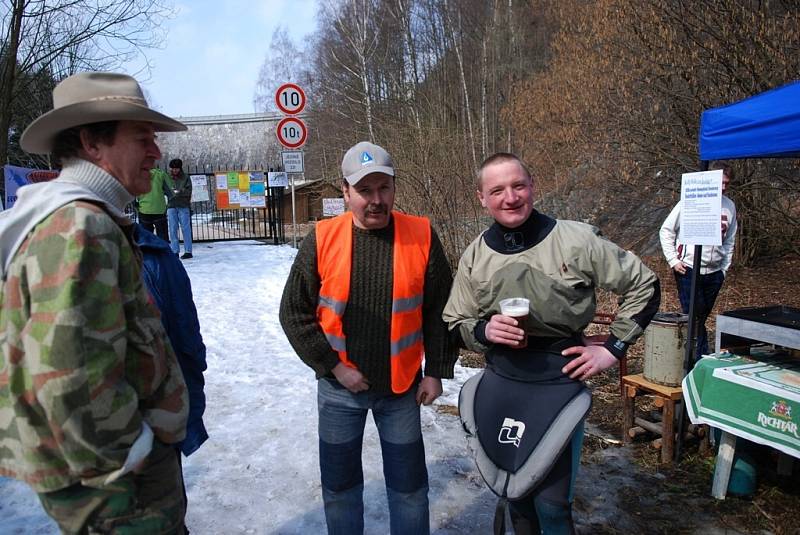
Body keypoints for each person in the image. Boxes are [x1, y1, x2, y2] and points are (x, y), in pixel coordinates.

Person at [0, 71, 190, 533]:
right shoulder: (79, 227)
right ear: (92, 143)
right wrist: (134, 456)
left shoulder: (79, 215)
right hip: (119, 489)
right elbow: (72, 380)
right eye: (142, 138)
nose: (156, 153)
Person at [443, 153, 660, 534]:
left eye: (518, 186)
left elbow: (644, 285)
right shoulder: (475, 255)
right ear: (481, 198)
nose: (510, 197)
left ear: (533, 187)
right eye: (497, 190)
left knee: (553, 504)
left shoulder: (575, 239)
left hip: (558, 383)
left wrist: (612, 347)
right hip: (503, 382)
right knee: (516, 497)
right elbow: (455, 321)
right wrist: (483, 332)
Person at [279, 141, 457, 535]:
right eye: (364, 191)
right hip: (340, 392)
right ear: (345, 192)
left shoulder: (421, 235)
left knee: (409, 489)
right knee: (340, 490)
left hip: (402, 392)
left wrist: (437, 371)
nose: (376, 200)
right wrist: (334, 368)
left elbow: (440, 312)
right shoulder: (322, 239)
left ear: (394, 188)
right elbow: (293, 313)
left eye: (384, 188)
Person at [134, 223, 208, 524]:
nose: (155, 172)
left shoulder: (154, 251)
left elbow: (184, 335)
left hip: (160, 423)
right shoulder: (54, 248)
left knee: (169, 516)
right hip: (104, 442)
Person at [659, 162, 737, 358]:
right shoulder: (690, 201)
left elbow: (730, 240)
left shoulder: (729, 206)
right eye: (720, 182)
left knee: (701, 317)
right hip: (689, 268)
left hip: (714, 272)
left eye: (727, 183)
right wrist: (674, 260)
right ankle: (699, 356)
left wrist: (724, 269)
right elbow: (666, 230)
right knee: (693, 316)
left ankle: (690, 353)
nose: (723, 187)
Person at [167, 158, 193, 259]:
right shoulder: (167, 177)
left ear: (180, 168)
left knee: (185, 228)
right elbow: (164, 189)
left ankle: (188, 251)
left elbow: (188, 191)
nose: (174, 171)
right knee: (173, 229)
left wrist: (179, 192)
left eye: (176, 169)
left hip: (183, 205)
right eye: (172, 169)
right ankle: (175, 251)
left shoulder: (186, 178)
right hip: (171, 205)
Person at [138, 165, 172, 241]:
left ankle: (148, 252)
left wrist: (137, 206)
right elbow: (171, 192)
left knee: (145, 238)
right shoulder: (161, 174)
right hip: (159, 210)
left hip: (144, 209)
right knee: (162, 237)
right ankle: (163, 251)